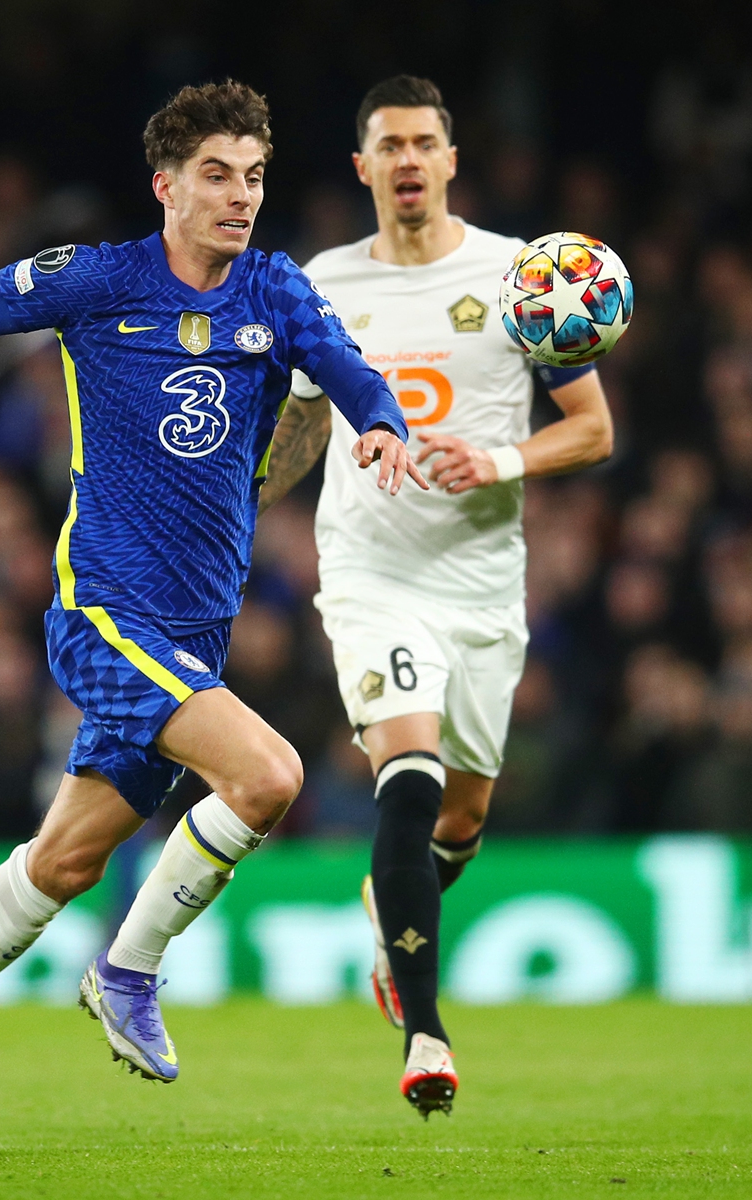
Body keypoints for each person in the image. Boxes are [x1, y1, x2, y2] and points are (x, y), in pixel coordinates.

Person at [0, 80, 425, 1154]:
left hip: (194, 634)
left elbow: (349, 372)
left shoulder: (272, 290)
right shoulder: (96, 282)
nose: (240, 196)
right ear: (166, 185)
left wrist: (383, 424)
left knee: (63, 862)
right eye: (217, 175)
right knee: (267, 776)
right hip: (104, 614)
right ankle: (127, 970)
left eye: (256, 176)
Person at [259, 75, 613, 1117]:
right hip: (370, 575)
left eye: (425, 143)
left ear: (450, 161)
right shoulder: (323, 282)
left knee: (460, 818)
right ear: (362, 166)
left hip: (478, 590)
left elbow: (591, 429)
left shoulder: (519, 276)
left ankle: (391, 899)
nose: (408, 160)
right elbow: (302, 429)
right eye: (389, 145)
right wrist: (233, 504)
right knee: (405, 780)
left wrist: (497, 460)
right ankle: (425, 1032)